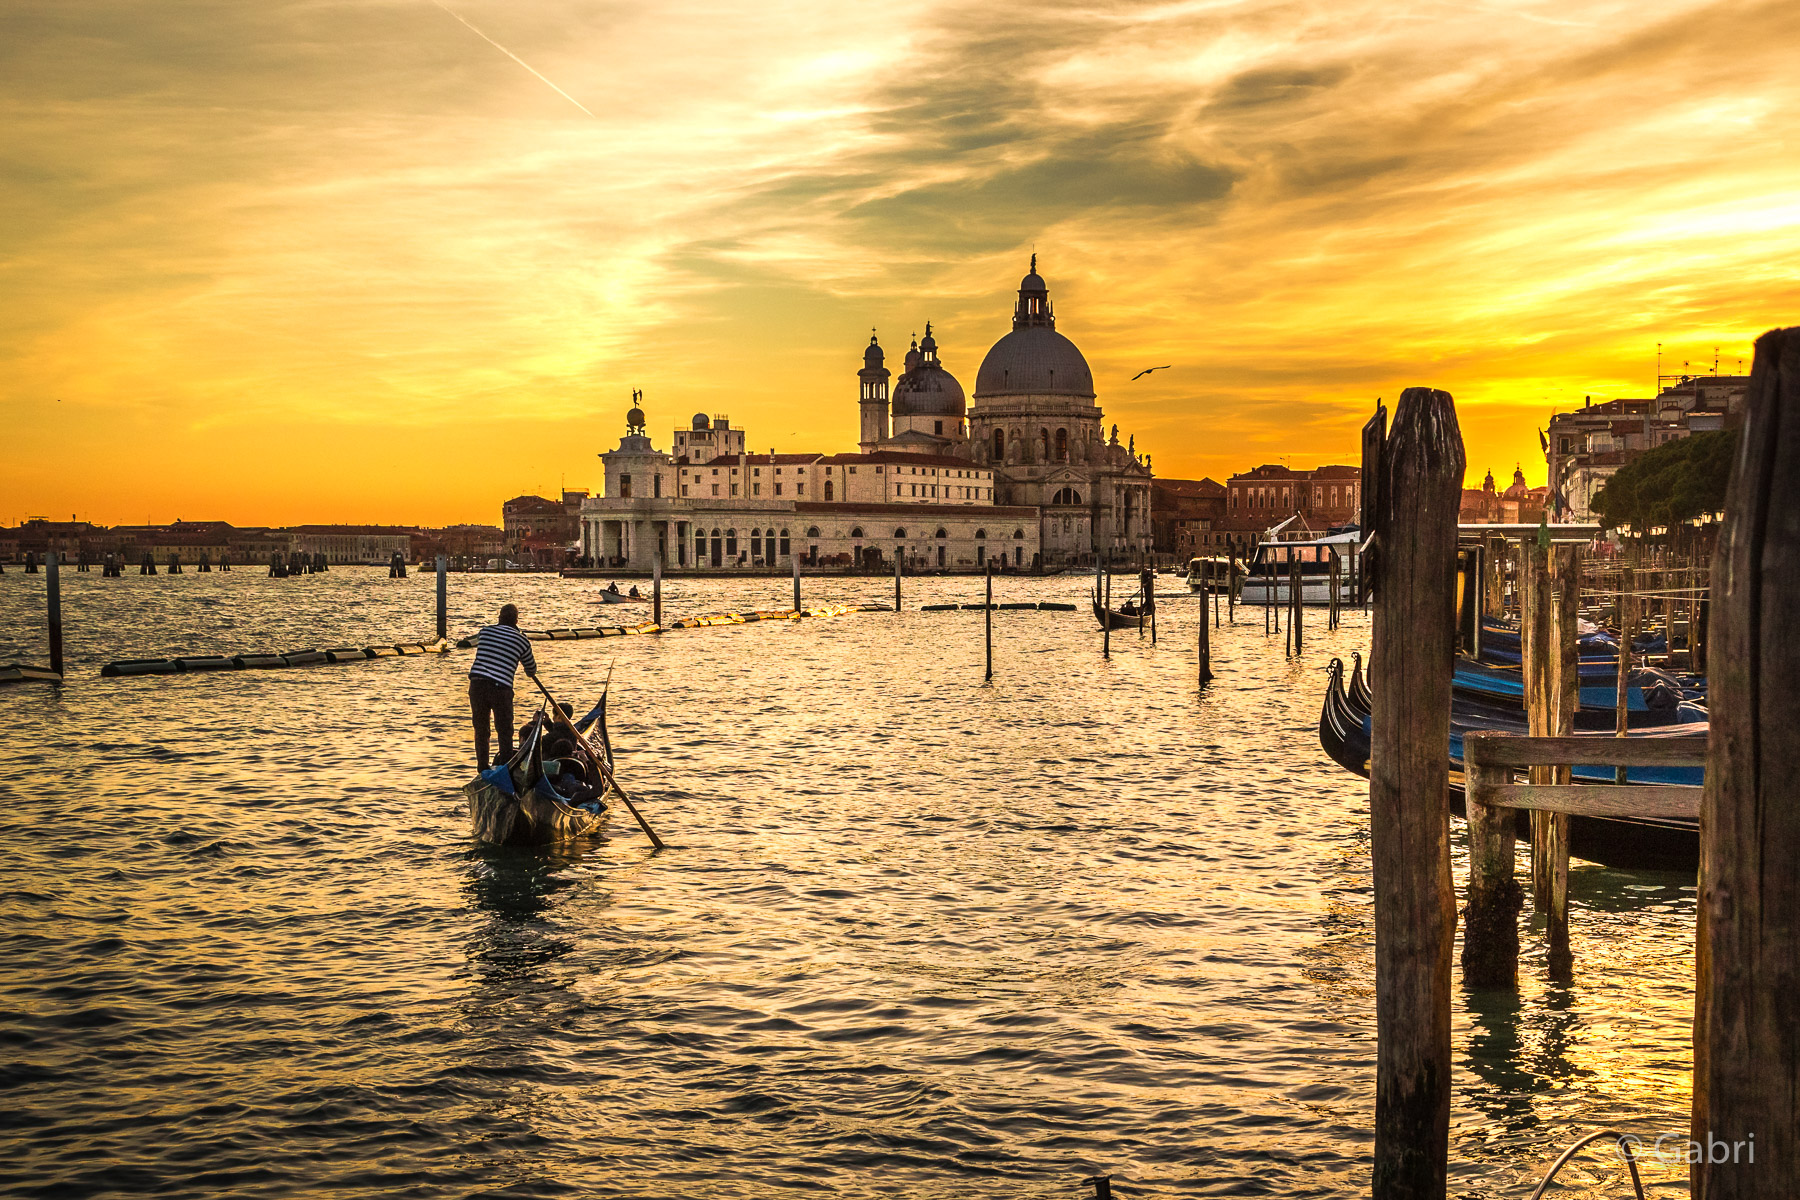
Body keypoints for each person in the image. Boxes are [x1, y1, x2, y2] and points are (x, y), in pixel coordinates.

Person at [469, 603, 537, 769]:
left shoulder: (485, 631)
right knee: (505, 730)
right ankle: (506, 768)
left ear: (499, 617)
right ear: (516, 620)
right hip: (501, 689)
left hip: (477, 684)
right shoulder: (522, 641)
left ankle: (482, 767)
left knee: (481, 729)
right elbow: (531, 669)